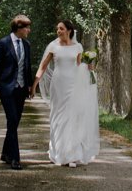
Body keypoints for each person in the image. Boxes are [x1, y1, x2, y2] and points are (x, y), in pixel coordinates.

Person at [31, 19, 99, 167]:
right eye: (57, 29)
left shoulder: (78, 47)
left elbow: (80, 65)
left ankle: (72, 155)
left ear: (69, 30)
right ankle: (56, 152)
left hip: (73, 85)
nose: (58, 31)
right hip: (58, 85)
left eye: (61, 28)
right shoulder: (53, 46)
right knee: (57, 117)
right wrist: (34, 84)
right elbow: (43, 66)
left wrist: (89, 68)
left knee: (72, 117)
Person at [0, 14, 33, 170]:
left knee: (14, 123)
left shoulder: (26, 44)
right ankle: (15, 158)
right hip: (6, 88)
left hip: (21, 90)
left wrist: (29, 86)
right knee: (12, 119)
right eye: (27, 27)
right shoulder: (3, 43)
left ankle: (5, 153)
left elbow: (27, 67)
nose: (29, 30)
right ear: (19, 28)